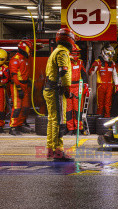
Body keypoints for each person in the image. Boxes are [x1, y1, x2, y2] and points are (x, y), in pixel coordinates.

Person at [43, 28, 75, 161]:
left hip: (49, 89)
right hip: (57, 90)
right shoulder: (63, 52)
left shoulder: (55, 51)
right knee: (59, 121)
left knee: (52, 120)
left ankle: (50, 149)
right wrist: (67, 90)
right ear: (69, 39)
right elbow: (63, 72)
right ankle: (58, 151)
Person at [9, 39, 33, 135]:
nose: (29, 51)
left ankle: (19, 125)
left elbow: (25, 73)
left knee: (26, 107)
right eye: (29, 49)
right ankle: (13, 127)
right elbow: (14, 76)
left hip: (25, 85)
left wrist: (29, 82)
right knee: (17, 107)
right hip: (17, 85)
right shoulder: (15, 59)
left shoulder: (25, 59)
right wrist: (19, 88)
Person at [89, 44, 118, 118]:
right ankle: (99, 120)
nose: (110, 56)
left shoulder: (112, 63)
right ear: (103, 53)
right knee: (100, 105)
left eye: (111, 55)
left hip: (109, 86)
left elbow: (115, 75)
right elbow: (90, 73)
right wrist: (93, 66)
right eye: (108, 54)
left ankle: (107, 119)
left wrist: (117, 86)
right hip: (100, 86)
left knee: (108, 105)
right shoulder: (98, 62)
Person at [66, 44, 89, 135]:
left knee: (78, 109)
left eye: (77, 53)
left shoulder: (80, 62)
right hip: (68, 87)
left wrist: (85, 85)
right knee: (68, 110)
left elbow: (84, 74)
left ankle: (78, 129)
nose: (76, 54)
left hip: (78, 87)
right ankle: (70, 129)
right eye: (74, 53)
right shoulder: (66, 62)